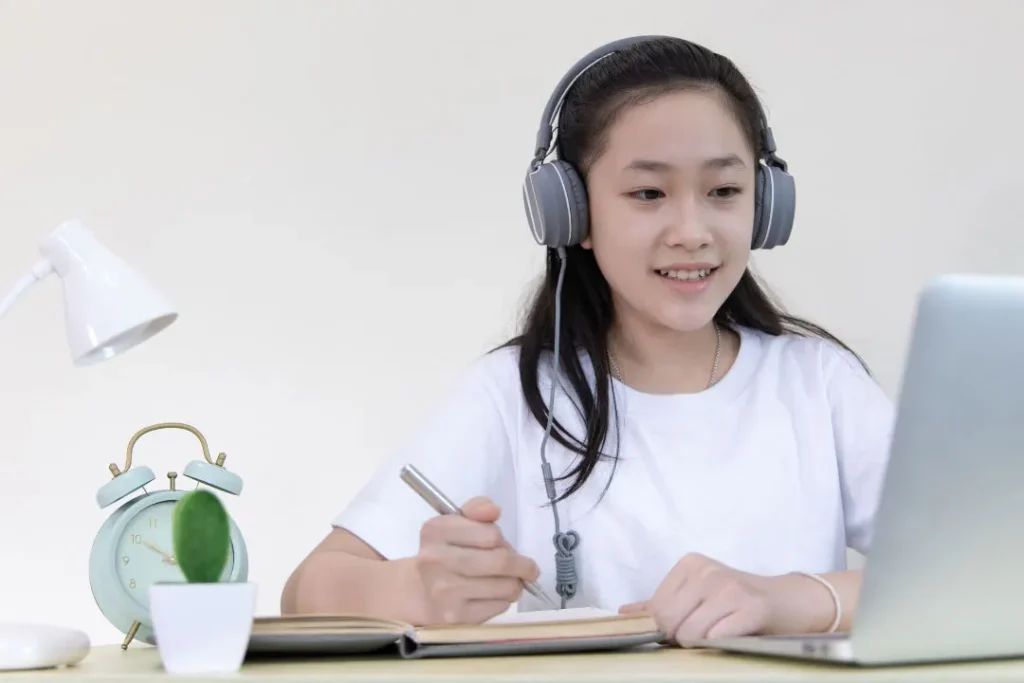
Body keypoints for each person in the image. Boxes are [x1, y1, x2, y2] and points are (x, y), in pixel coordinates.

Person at [280, 35, 893, 645]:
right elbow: (308, 590)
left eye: (724, 192)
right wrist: (415, 590)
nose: (692, 231)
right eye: (648, 194)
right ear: (573, 215)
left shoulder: (821, 383)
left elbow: (979, 573)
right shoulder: (512, 394)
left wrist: (792, 599)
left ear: (764, 207)